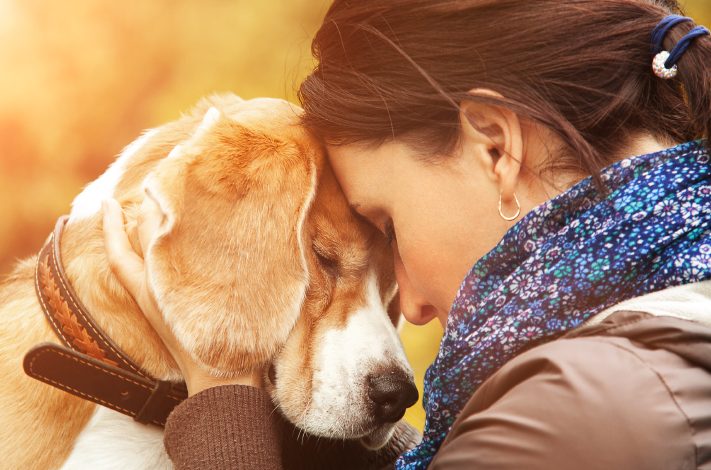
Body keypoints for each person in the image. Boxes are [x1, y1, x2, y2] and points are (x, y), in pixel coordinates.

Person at [102, 0, 711, 468]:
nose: (413, 310)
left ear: (496, 147)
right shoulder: (667, 333)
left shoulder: (581, 410)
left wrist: (221, 399)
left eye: (388, 227)